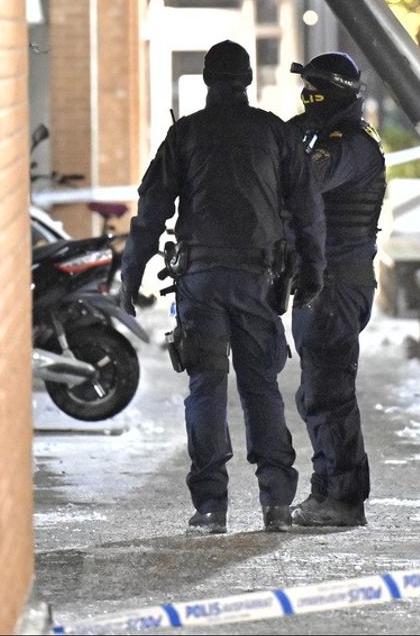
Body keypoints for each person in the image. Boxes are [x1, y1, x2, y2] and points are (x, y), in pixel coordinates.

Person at [118, 40, 325, 535]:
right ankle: (276, 503)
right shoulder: (275, 133)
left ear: (207, 80)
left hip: (201, 282)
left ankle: (210, 507)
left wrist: (131, 273)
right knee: (261, 388)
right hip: (259, 281)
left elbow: (151, 211)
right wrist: (311, 271)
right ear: (248, 79)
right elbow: (308, 209)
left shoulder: (185, 134)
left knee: (206, 388)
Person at [286, 52, 386, 527]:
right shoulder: (324, 135)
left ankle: (341, 497)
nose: (304, 97)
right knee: (317, 390)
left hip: (337, 283)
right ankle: (331, 486)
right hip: (326, 281)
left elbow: (305, 182)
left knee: (328, 390)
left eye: (311, 88)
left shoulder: (348, 144)